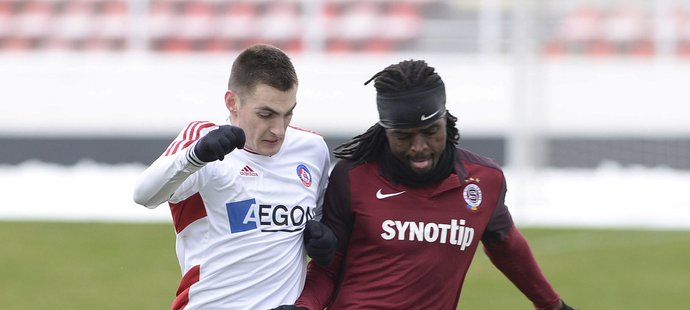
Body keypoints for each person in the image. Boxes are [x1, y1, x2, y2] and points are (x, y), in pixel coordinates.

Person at [277, 60, 574, 309]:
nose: (419, 147)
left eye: (431, 131)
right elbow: (327, 266)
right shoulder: (352, 176)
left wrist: (552, 304)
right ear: (385, 131)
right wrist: (305, 307)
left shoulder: (484, 180)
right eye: (403, 136)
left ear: (446, 121)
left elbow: (506, 246)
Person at [132, 44, 336, 310]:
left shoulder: (311, 148)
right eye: (266, 114)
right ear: (232, 102)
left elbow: (318, 226)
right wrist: (195, 156)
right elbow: (144, 195)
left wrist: (324, 243)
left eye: (288, 114)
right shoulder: (204, 139)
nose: (278, 129)